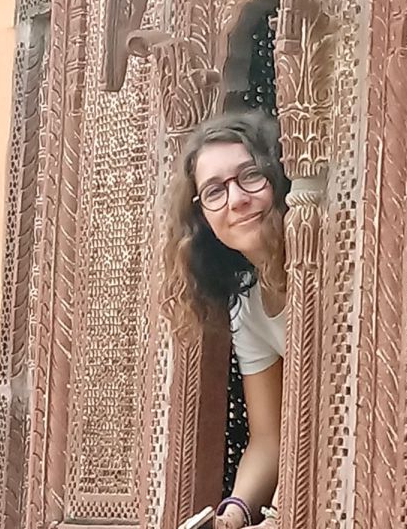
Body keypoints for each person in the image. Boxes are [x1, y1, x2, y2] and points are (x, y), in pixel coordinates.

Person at [162, 111, 290, 528]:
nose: (236, 199)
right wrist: (231, 516)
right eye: (215, 190)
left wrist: (284, 511)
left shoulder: (326, 262)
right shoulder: (249, 305)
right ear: (202, 216)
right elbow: (268, 439)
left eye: (250, 176)